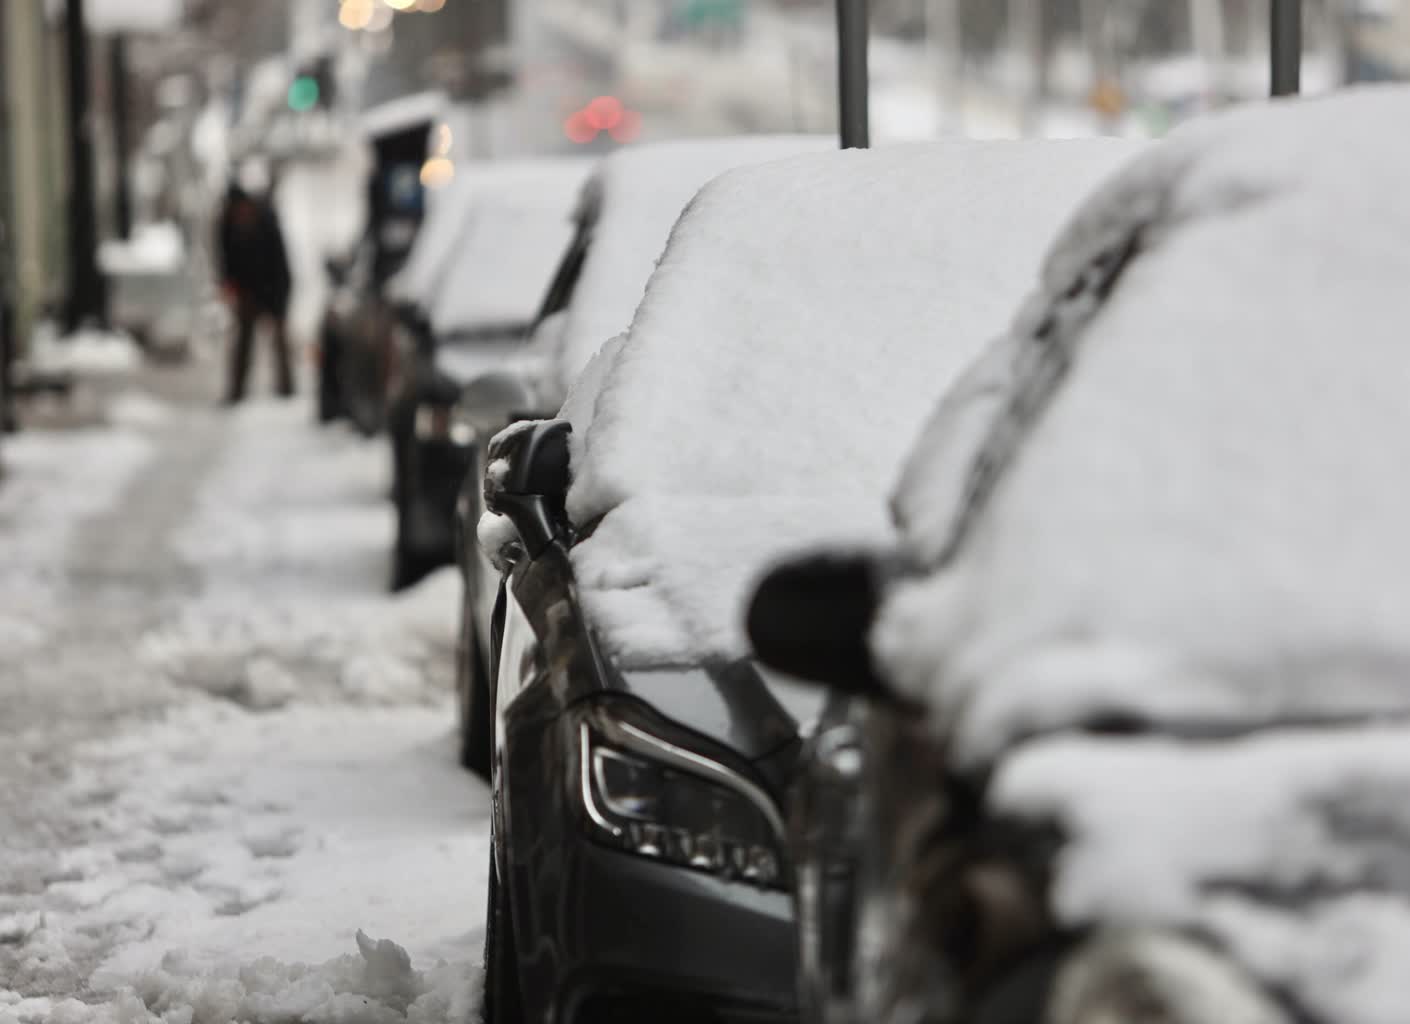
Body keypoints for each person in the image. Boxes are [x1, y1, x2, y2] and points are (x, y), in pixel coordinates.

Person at [216, 181, 293, 403]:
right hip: (248, 289)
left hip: (275, 287)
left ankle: (287, 389)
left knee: (280, 341)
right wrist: (230, 285)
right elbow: (226, 259)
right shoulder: (227, 224)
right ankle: (237, 391)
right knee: (243, 341)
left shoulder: (266, 223)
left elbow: (279, 265)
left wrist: (278, 302)